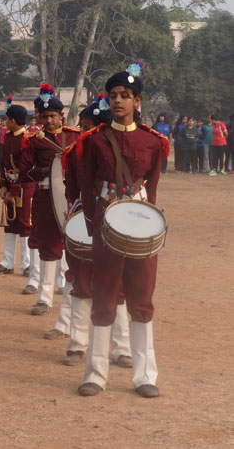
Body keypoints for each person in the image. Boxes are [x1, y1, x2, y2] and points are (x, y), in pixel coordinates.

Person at [78, 62, 168, 399]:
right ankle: (96, 374)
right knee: (103, 296)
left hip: (142, 226)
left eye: (125, 96)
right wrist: (92, 225)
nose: (118, 101)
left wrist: (149, 226)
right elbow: (87, 187)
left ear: (138, 101)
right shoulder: (95, 140)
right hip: (105, 225)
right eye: (113, 95)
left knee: (142, 299)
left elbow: (153, 188)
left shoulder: (153, 142)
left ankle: (144, 374)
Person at [58, 98, 132, 368]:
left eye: (88, 127)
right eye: (82, 126)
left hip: (116, 223)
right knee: (82, 283)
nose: (83, 131)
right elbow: (70, 191)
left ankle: (121, 348)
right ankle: (77, 343)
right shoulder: (74, 152)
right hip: (84, 222)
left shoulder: (122, 151)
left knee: (117, 286)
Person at [19, 85, 80, 316]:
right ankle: (43, 298)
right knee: (47, 246)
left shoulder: (75, 136)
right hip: (45, 196)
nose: (48, 120)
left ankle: (66, 286)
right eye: (44, 116)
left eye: (52, 116)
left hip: (71, 196)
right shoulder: (33, 141)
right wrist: (45, 170)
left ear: (61, 115)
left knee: (71, 241)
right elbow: (24, 173)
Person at [0, 99, 34, 280]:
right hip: (10, 184)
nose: (4, 122)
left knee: (25, 225)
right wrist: (3, 186)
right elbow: (3, 163)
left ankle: (26, 264)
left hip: (24, 187)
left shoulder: (27, 140)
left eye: (7, 119)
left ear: (13, 121)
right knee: (9, 224)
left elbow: (26, 170)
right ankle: (7, 262)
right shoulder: (8, 137)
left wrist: (13, 191)